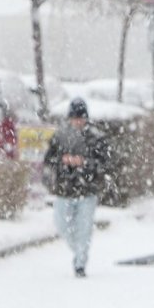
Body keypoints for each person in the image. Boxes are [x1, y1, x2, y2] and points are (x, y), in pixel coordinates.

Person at [43, 98, 106, 277]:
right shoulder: (60, 137)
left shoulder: (95, 138)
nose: (78, 121)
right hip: (64, 189)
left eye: (81, 117)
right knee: (62, 224)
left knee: (84, 228)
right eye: (75, 117)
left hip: (87, 191)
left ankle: (80, 262)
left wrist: (84, 163)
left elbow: (103, 163)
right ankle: (76, 248)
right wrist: (63, 161)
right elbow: (49, 159)